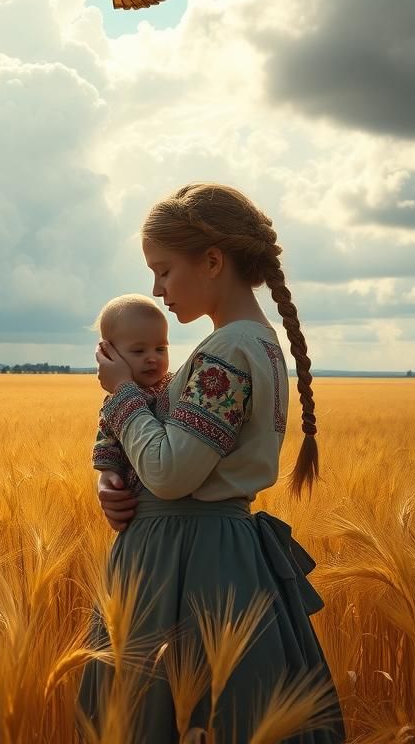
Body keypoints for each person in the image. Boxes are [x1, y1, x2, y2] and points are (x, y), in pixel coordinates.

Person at [77, 183, 345, 743]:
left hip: (185, 565)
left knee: (167, 718)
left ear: (213, 261)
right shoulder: (257, 342)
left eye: (165, 270)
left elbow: (172, 472)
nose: (157, 289)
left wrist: (122, 392)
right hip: (220, 554)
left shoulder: (226, 351)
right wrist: (112, 476)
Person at [91, 294, 173, 493]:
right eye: (139, 351)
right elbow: (107, 444)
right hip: (138, 501)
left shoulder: (175, 386)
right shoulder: (115, 404)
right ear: (109, 355)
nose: (152, 358)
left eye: (160, 349)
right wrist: (108, 473)